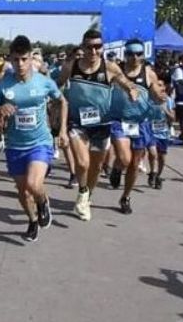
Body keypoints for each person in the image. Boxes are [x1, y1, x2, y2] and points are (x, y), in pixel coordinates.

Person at [0, 35, 69, 241]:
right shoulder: (3, 85)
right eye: (16, 60)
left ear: (31, 58)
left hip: (40, 142)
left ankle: (42, 202)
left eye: (24, 59)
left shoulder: (44, 82)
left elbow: (62, 101)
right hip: (15, 145)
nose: (20, 64)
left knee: (33, 185)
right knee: (23, 191)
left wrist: (63, 130)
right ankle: (32, 220)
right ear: (10, 60)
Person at [55, 30, 138, 222]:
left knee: (96, 167)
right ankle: (83, 190)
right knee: (82, 163)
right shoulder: (71, 66)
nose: (93, 51)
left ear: (102, 47)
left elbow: (127, 84)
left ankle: (86, 197)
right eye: (89, 46)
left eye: (98, 46)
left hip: (102, 124)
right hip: (78, 123)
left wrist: (132, 92)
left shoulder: (110, 68)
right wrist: (54, 102)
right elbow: (57, 85)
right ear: (83, 47)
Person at [107, 39, 167, 214]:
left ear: (143, 55)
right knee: (124, 158)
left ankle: (125, 197)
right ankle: (117, 168)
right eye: (131, 53)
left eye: (139, 54)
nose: (134, 57)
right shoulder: (115, 71)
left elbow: (155, 91)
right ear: (124, 55)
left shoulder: (148, 73)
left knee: (134, 164)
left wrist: (160, 98)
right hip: (119, 120)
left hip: (140, 122)